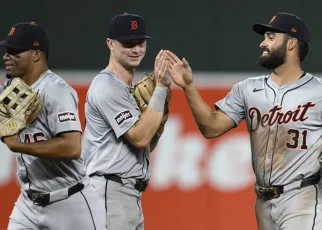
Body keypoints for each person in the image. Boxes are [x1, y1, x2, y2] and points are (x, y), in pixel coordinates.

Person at [166, 12, 322, 230]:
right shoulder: (248, 89)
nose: (262, 43)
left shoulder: (318, 92)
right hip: (263, 201)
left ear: (292, 43)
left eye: (270, 36)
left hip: (302, 198)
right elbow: (211, 127)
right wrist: (189, 87)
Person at [0, 22, 104, 230]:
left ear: (36, 55)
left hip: (71, 203)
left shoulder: (56, 90)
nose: (6, 56)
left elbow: (73, 147)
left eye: (15, 51)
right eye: (6, 51)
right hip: (28, 204)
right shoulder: (11, 89)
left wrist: (18, 145)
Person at [82, 13, 171, 230]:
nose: (136, 49)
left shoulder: (126, 89)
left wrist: (158, 119)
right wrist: (160, 89)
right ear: (110, 43)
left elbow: (147, 144)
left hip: (126, 194)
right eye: (128, 43)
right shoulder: (107, 86)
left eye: (140, 43)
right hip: (108, 192)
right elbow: (139, 138)